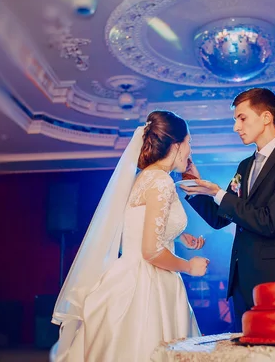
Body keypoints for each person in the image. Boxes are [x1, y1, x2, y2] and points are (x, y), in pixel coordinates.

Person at [50, 110, 209, 362]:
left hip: (127, 275)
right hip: (149, 284)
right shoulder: (162, 182)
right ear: (176, 145)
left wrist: (179, 237)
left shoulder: (142, 178)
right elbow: (151, 251)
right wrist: (190, 266)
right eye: (189, 143)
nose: (191, 151)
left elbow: (138, 225)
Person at [181, 88, 275, 332]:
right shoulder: (245, 165)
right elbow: (220, 219)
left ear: (266, 117)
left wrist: (218, 193)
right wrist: (195, 188)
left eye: (241, 118)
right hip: (242, 283)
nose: (236, 127)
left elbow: (270, 222)